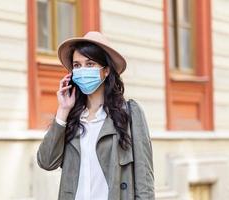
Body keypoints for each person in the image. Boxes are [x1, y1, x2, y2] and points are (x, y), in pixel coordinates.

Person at [37, 31, 155, 200]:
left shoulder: (129, 114)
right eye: (77, 65)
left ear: (105, 71)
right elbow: (46, 162)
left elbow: (145, 184)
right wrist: (63, 110)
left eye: (90, 64)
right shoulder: (71, 118)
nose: (82, 70)